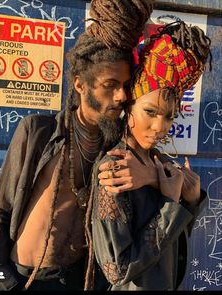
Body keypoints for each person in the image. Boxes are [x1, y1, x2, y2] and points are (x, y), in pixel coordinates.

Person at [0, 0, 154, 291]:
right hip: (25, 278)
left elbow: (166, 184)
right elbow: (0, 209)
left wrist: (147, 175)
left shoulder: (117, 146)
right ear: (80, 84)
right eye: (110, 85)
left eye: (126, 85)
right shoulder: (39, 131)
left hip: (80, 279)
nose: (120, 96)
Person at [88, 21, 212, 290]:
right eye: (151, 112)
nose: (160, 127)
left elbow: (170, 246)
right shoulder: (116, 168)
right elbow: (117, 270)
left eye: (169, 116)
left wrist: (189, 201)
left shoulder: (163, 164)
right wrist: (169, 202)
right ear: (130, 104)